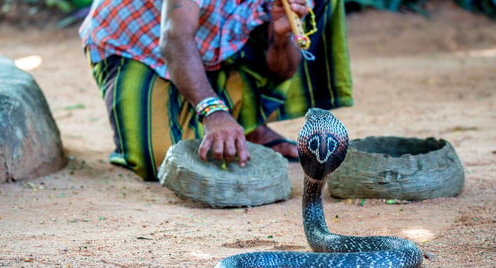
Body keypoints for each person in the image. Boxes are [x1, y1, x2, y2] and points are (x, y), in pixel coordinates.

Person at [79, 0, 353, 181]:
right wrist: (213, 112)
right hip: (138, 42)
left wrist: (280, 36)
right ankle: (222, 117)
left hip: (219, 41)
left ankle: (246, 124)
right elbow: (175, 39)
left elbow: (282, 70)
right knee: (158, 159)